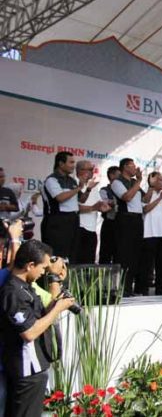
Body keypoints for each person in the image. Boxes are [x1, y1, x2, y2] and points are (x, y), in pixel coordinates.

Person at [0, 240, 75, 417]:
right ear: (30, 265)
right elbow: (29, 332)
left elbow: (39, 317)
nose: (44, 272)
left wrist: (57, 302)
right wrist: (57, 309)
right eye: (43, 268)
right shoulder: (12, 292)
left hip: (35, 369)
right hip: (27, 371)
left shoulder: (25, 286)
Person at [41, 152, 95, 258]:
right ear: (61, 164)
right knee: (57, 254)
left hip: (73, 220)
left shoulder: (72, 180)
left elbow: (81, 199)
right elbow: (60, 198)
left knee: (72, 253)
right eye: (71, 162)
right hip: (57, 221)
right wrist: (78, 188)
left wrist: (88, 189)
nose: (73, 166)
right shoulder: (52, 179)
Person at [111, 158, 144, 297]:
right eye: (132, 165)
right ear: (125, 167)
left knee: (135, 254)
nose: (135, 168)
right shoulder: (117, 182)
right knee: (124, 253)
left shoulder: (134, 182)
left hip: (137, 219)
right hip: (125, 219)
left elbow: (145, 199)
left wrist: (151, 186)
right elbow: (127, 197)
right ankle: (120, 288)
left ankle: (129, 287)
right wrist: (138, 182)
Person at [75, 161, 110, 264]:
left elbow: (98, 204)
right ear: (80, 171)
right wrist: (93, 208)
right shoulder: (74, 184)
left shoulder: (93, 186)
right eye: (90, 169)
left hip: (92, 228)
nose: (92, 172)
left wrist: (103, 206)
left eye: (92, 169)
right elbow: (74, 208)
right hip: (79, 227)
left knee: (89, 262)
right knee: (77, 262)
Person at [141, 172, 162, 295]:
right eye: (159, 180)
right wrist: (159, 198)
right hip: (149, 232)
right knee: (147, 263)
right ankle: (144, 288)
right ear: (152, 181)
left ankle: (160, 288)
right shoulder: (148, 193)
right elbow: (145, 208)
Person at [98, 166, 120, 264]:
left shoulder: (125, 189)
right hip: (109, 223)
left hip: (122, 224)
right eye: (119, 175)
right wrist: (116, 202)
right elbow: (104, 204)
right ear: (111, 176)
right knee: (105, 253)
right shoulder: (104, 190)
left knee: (119, 253)